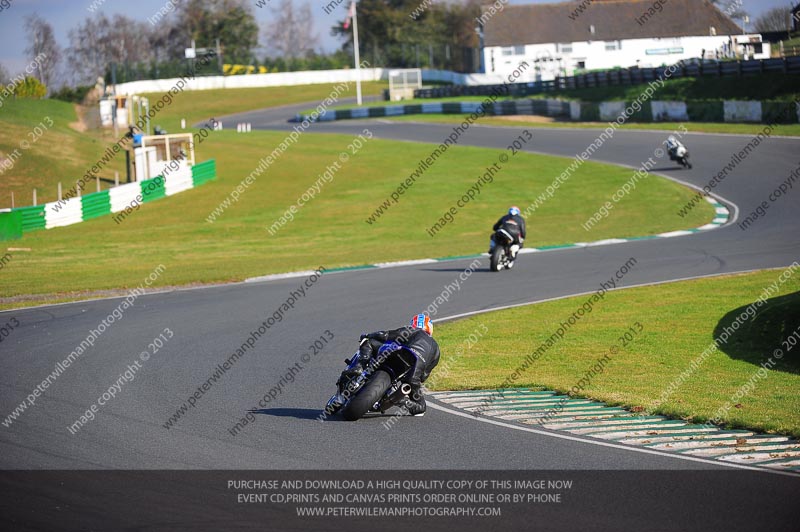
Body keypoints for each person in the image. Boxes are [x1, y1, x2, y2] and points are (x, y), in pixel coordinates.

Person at [345, 314, 440, 416]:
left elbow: (385, 335)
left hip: (396, 355)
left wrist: (368, 335)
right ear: (430, 329)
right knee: (421, 408)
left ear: (414, 324)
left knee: (369, 342)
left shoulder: (413, 330)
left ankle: (359, 366)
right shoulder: (437, 351)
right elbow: (423, 377)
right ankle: (399, 399)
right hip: (412, 374)